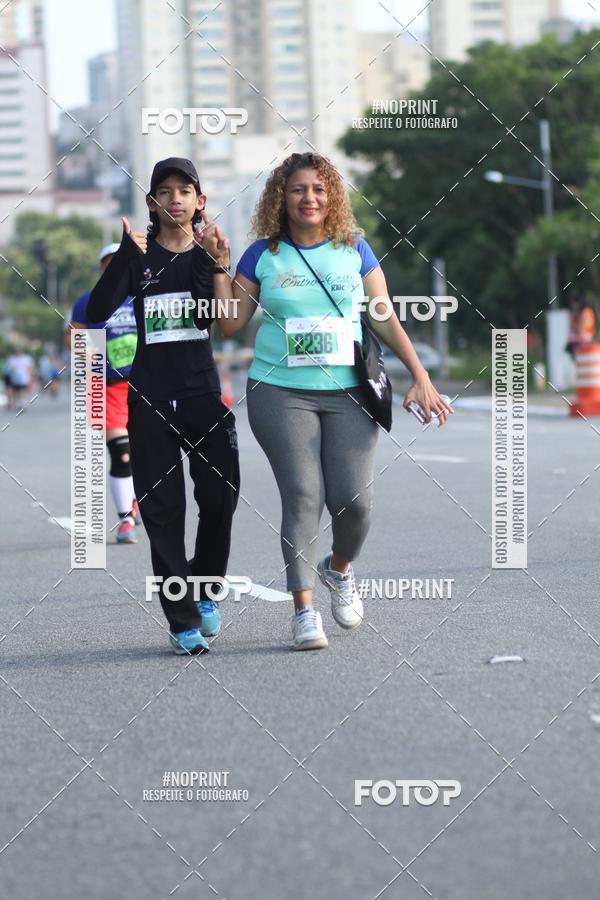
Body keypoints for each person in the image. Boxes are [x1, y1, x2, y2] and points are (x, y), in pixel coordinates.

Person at [201, 151, 452, 651]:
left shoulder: (355, 250)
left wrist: (420, 376)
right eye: (298, 189)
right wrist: (218, 265)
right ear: (282, 197)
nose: (309, 197)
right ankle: (304, 611)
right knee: (304, 494)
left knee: (354, 503)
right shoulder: (262, 256)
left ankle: (339, 570)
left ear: (331, 195)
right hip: (279, 390)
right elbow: (228, 324)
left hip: (349, 391)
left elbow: (383, 317)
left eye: (318, 189)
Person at [87, 157, 240, 655]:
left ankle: (205, 589)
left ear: (200, 201)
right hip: (150, 398)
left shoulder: (207, 253)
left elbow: (223, 318)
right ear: (152, 203)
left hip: (201, 396)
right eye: (164, 191)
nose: (175, 198)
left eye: (184, 190)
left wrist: (220, 265)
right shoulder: (139, 254)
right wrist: (126, 261)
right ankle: (182, 621)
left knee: (219, 500)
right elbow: (96, 312)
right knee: (164, 509)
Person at [66, 244, 140, 544]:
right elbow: (73, 336)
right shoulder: (88, 301)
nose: (115, 267)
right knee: (121, 453)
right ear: (102, 267)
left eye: (121, 262)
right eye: (110, 263)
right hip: (105, 386)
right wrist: (90, 352)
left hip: (144, 385)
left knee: (146, 453)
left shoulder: (141, 297)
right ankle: (126, 521)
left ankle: (135, 497)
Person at [566, 293, 597, 358]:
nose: (573, 306)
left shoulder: (585, 313)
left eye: (573, 304)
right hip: (584, 340)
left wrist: (572, 321)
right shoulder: (587, 311)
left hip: (584, 341)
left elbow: (580, 331)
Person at [4, 347, 35, 411]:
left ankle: (22, 404)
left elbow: (30, 369)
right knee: (16, 392)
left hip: (24, 379)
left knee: (23, 391)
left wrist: (30, 378)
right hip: (15, 379)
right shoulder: (12, 359)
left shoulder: (26, 359)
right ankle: (18, 404)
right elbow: (9, 369)